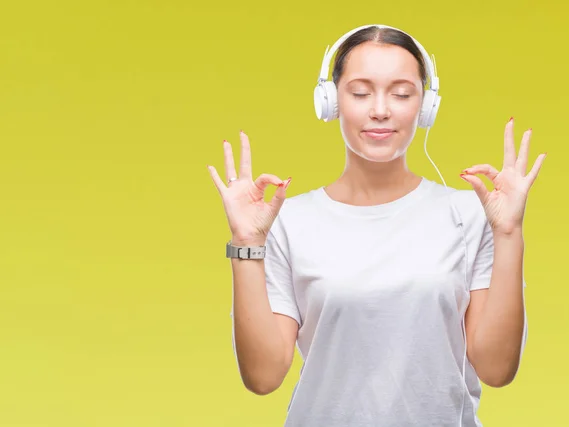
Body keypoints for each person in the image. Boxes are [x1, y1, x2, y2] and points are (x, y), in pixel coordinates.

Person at [208, 24, 546, 427]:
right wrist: (246, 243)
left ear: (425, 105)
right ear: (331, 101)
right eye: (360, 92)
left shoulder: (471, 214)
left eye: (402, 94)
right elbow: (263, 377)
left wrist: (508, 234)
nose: (381, 109)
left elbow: (496, 369)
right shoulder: (287, 222)